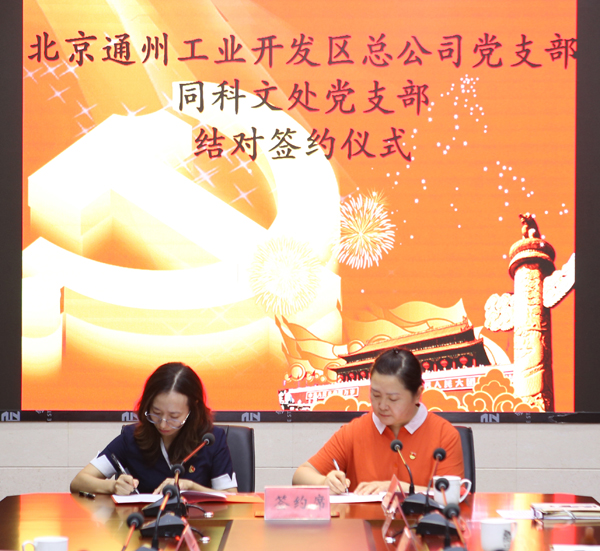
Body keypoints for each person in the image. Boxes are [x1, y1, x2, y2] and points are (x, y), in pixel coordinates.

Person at [292, 348, 464, 495]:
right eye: (375, 395)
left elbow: (452, 495)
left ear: (417, 394)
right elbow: (300, 475)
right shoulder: (355, 431)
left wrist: (399, 488)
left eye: (393, 399)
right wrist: (324, 482)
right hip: (362, 523)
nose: (381, 406)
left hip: (422, 524)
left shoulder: (444, 434)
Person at [70, 362, 237, 495]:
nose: (163, 424)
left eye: (174, 416)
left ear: (193, 409)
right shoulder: (133, 437)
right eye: (156, 413)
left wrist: (191, 487)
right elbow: (79, 482)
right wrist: (113, 486)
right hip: (141, 524)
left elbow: (231, 497)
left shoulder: (209, 440)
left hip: (197, 525)